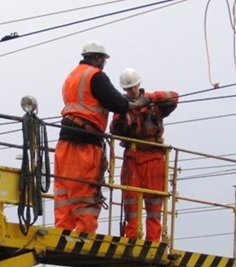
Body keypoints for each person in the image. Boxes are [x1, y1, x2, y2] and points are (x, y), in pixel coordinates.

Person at [54, 41, 145, 234]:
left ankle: (62, 232)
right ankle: (85, 234)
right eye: (103, 60)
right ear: (97, 58)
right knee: (85, 192)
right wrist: (135, 104)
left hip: (64, 143)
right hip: (85, 144)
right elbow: (117, 103)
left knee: (63, 190)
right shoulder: (96, 76)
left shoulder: (71, 76)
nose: (103, 64)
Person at [110, 67, 178, 242]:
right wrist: (123, 112)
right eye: (127, 88)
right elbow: (114, 130)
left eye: (133, 87)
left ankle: (153, 241)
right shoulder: (121, 107)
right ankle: (131, 239)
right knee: (131, 203)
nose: (131, 90)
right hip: (133, 157)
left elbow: (174, 97)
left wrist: (149, 99)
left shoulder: (154, 104)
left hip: (154, 158)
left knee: (154, 204)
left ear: (139, 85)